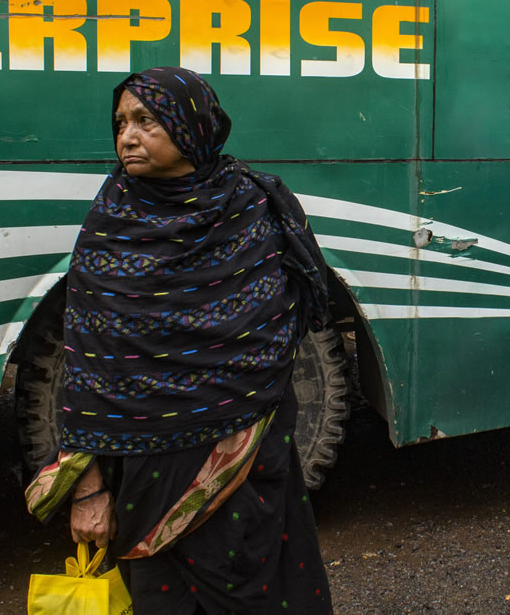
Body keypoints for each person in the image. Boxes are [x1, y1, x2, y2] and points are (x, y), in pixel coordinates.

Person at [25, 67, 334, 613]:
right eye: (120, 122)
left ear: (190, 125)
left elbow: (286, 324)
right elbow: (88, 367)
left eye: (145, 120)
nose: (127, 136)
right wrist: (89, 488)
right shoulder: (113, 221)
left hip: (250, 463)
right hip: (148, 476)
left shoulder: (253, 207)